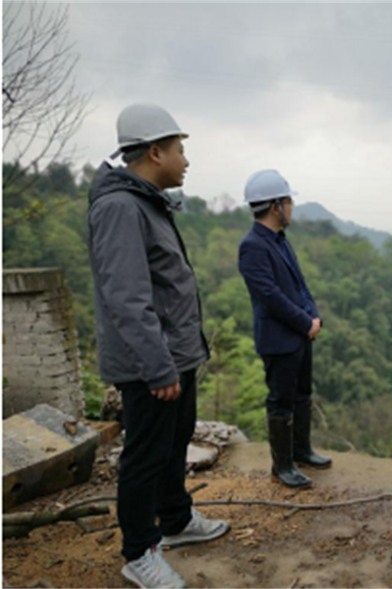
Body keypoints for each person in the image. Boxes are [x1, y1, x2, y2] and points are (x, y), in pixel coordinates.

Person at [88, 104, 229, 589]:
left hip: (174, 354)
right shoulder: (119, 207)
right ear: (154, 152)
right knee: (146, 455)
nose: (185, 160)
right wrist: (157, 366)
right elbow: (127, 297)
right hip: (150, 362)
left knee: (174, 442)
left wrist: (179, 358)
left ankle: (176, 520)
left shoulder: (147, 202)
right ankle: (139, 552)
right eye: (179, 150)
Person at [238, 169, 330, 489]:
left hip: (301, 335)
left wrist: (314, 315)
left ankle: (302, 450)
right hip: (279, 339)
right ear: (276, 206)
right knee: (281, 400)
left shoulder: (280, 241)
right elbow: (269, 297)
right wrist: (305, 323)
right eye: (288, 201)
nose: (292, 207)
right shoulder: (252, 246)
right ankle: (283, 465)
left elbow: (300, 285)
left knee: (302, 395)